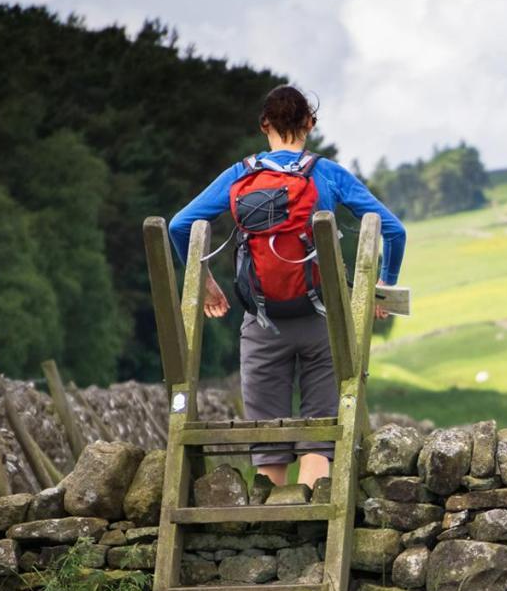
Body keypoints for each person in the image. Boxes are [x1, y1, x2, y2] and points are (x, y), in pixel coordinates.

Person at [169, 85, 405, 488]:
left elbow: (178, 225)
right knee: (319, 440)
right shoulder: (327, 173)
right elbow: (393, 230)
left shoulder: (240, 175)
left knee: (269, 444)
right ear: (310, 124)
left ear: (264, 125)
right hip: (323, 322)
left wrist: (205, 282)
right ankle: (312, 527)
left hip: (262, 322)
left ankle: (272, 532)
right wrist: (384, 286)